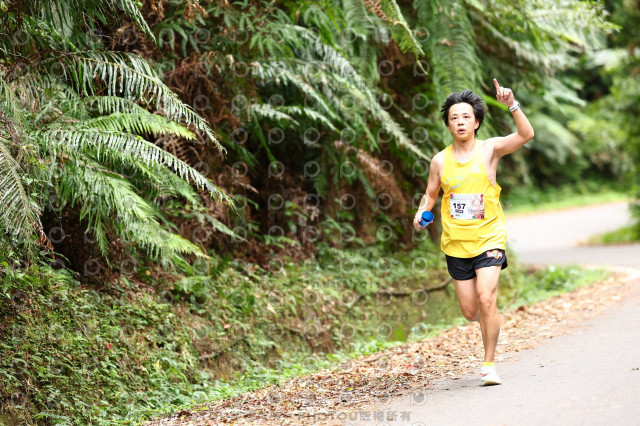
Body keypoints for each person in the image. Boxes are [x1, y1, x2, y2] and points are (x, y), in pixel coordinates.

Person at [413, 79, 534, 386]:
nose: (460, 121)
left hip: (490, 238)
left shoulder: (489, 150)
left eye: (466, 116)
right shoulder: (439, 161)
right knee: (470, 311)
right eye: (454, 117)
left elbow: (526, 135)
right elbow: (430, 195)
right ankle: (492, 320)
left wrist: (512, 104)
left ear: (476, 122)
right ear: (448, 125)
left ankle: (488, 365)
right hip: (456, 244)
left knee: (486, 297)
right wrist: (421, 213)